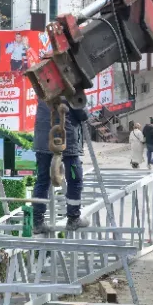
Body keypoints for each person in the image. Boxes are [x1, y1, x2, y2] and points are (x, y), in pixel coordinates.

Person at [32, 100, 89, 233]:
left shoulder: (43, 91)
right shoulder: (71, 91)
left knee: (42, 180)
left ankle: (37, 222)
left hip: (43, 142)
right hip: (66, 142)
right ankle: (73, 218)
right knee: (75, 180)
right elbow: (83, 114)